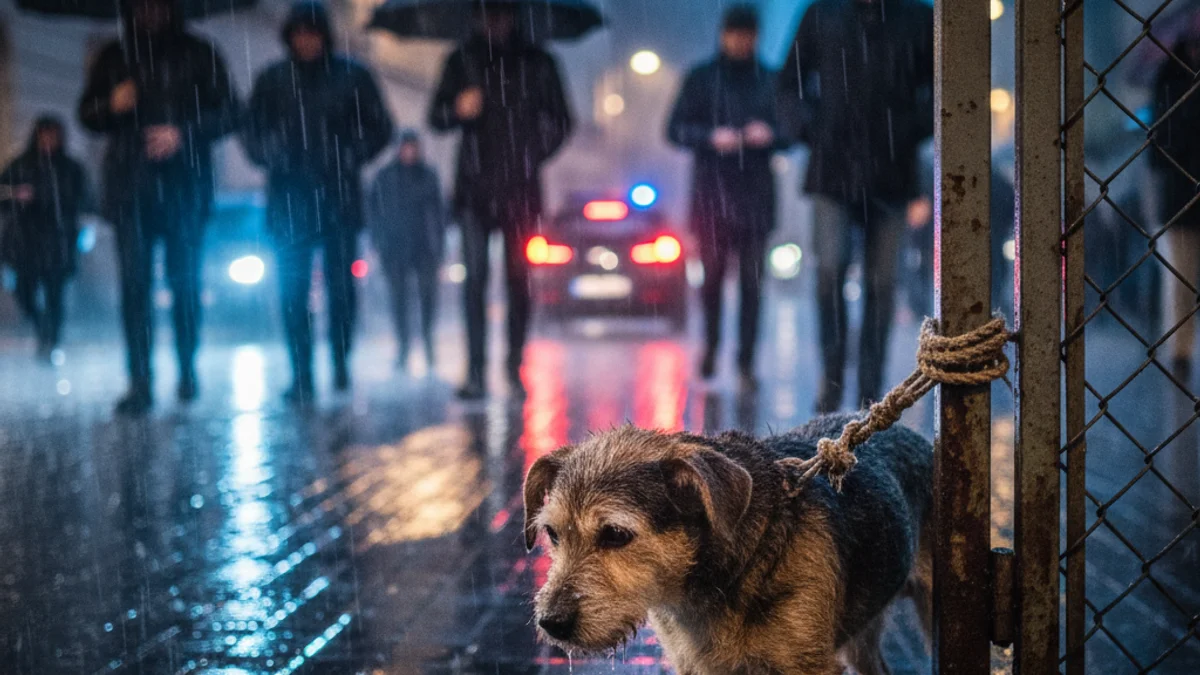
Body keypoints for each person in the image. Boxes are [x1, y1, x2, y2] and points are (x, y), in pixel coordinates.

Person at [78, 0, 240, 414]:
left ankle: (187, 367)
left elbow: (231, 112)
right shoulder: (115, 56)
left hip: (185, 187)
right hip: (131, 190)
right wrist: (111, 106)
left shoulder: (199, 53)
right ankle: (140, 380)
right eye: (141, 5)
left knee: (184, 283)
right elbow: (88, 115)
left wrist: (183, 133)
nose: (149, 11)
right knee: (135, 287)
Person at [778, 0, 934, 412]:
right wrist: (811, 129)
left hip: (891, 171)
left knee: (881, 285)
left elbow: (941, 86)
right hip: (833, 170)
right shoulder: (822, 13)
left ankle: (870, 390)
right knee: (829, 273)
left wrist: (906, 130)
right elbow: (788, 84)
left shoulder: (916, 17)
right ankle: (831, 382)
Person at [243, 1, 393, 402]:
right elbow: (250, 132)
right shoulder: (272, 80)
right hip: (288, 200)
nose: (306, 41)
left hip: (337, 197)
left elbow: (381, 128)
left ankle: (340, 360)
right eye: (299, 33)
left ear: (323, 35)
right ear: (290, 37)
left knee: (341, 289)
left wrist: (350, 154)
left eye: (312, 33)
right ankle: (301, 372)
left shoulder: (352, 77)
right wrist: (270, 152)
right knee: (291, 290)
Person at [428, 4, 573, 400]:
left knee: (518, 283)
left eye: (501, 14)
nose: (494, 23)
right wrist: (457, 108)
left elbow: (562, 121)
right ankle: (475, 370)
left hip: (521, 192)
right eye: (487, 15)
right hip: (474, 191)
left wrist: (531, 153)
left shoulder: (539, 63)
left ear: (513, 17)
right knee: (473, 280)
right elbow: (435, 117)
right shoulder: (460, 61)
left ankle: (513, 367)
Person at [667, 4, 779, 391]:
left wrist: (770, 134)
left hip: (755, 201)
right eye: (735, 34)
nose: (740, 42)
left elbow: (792, 128)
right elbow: (675, 128)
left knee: (752, 286)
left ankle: (745, 362)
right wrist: (712, 138)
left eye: (746, 35)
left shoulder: (770, 80)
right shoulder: (701, 79)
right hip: (711, 201)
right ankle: (711, 347)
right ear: (723, 35)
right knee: (711, 281)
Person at [0, 116, 90, 360]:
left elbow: (83, 200)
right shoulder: (21, 164)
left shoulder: (70, 168)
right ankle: (43, 329)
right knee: (24, 291)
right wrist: (15, 197)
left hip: (57, 242)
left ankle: (51, 340)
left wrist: (41, 196)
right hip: (25, 242)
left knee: (54, 294)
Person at [366, 130, 447, 374]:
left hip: (423, 248)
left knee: (427, 299)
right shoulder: (385, 178)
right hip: (395, 249)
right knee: (399, 300)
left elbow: (439, 214)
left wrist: (438, 247)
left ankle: (428, 343)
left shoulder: (427, 176)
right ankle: (403, 346)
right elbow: (374, 213)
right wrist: (379, 243)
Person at [1152, 32, 1200, 377]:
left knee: (1180, 278)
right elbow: (1159, 147)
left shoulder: (1169, 78)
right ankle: (1180, 350)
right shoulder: (1170, 79)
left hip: (1178, 192)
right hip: (1180, 196)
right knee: (1180, 278)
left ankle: (1182, 349)